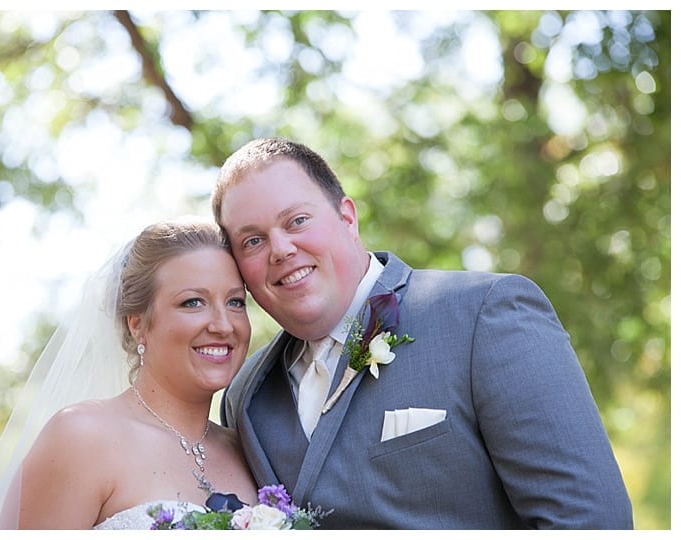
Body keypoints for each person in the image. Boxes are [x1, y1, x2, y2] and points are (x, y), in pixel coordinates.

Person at [212, 137, 633, 529]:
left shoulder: (484, 315)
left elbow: (590, 522)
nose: (281, 249)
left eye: (298, 220)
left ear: (347, 218)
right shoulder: (245, 396)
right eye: (252, 242)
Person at [0, 220, 257, 529]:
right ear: (138, 325)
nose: (224, 325)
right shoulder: (81, 436)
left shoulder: (248, 448)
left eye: (235, 302)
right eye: (193, 302)